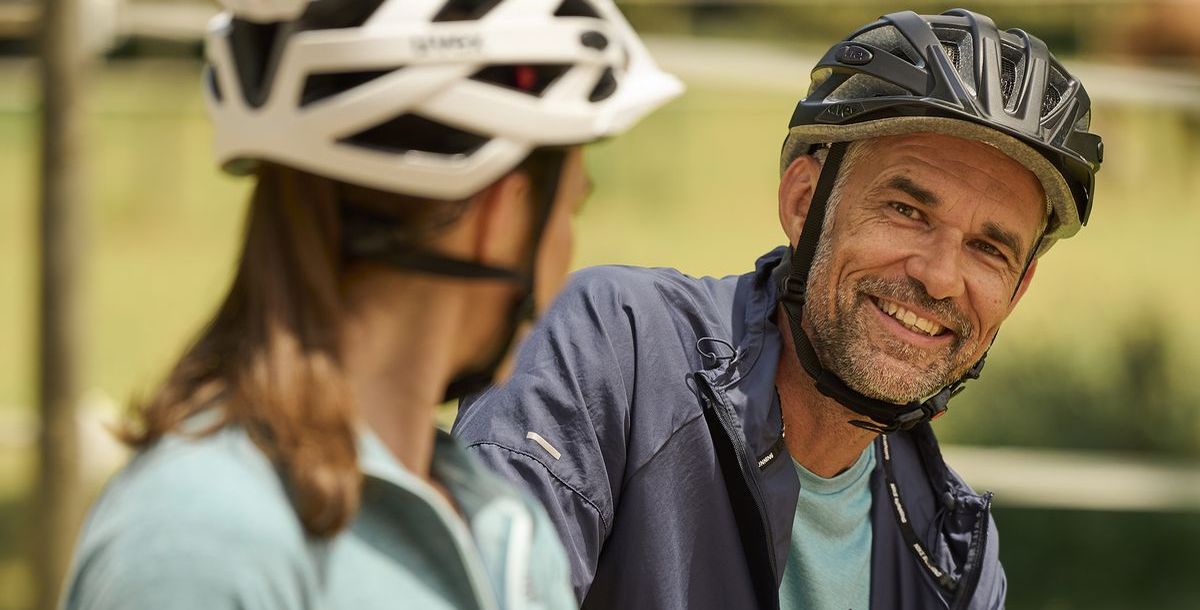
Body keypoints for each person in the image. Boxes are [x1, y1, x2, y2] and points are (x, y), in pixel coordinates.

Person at [453, 9, 1103, 610]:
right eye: (907, 211)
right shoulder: (615, 352)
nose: (939, 278)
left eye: (989, 249)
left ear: (1017, 291)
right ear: (802, 203)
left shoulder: (952, 553)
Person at [59, 0, 681, 608]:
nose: (568, 251)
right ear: (500, 211)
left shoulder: (504, 529)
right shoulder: (200, 548)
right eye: (572, 207)